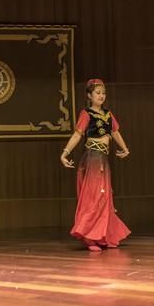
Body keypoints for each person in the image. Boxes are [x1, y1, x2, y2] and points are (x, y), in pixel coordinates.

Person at [60, 79, 131, 251]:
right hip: (92, 158)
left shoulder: (108, 114)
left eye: (103, 93)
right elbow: (77, 135)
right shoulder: (86, 114)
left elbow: (115, 132)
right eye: (98, 93)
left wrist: (125, 148)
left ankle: (102, 235)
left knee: (104, 197)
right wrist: (65, 153)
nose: (101, 96)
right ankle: (90, 236)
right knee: (93, 197)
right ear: (89, 95)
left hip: (103, 159)